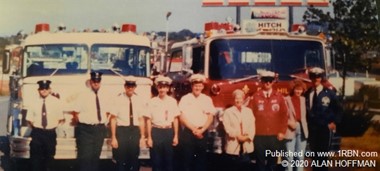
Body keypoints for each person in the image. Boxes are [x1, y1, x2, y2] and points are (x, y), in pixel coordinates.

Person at [304, 67, 342, 171]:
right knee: (314, 155)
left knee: (323, 155)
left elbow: (338, 109)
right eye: (313, 77)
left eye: (318, 77)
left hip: (324, 128)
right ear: (310, 78)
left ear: (321, 78)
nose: (315, 79)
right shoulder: (308, 93)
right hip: (312, 129)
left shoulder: (329, 93)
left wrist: (334, 122)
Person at [249, 70, 288, 171]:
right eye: (265, 80)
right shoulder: (255, 97)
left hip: (274, 135)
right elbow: (250, 116)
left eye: (270, 81)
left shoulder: (279, 97)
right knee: (260, 162)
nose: (267, 83)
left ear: (273, 82)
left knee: (273, 162)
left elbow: (284, 116)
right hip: (259, 135)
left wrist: (282, 132)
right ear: (261, 81)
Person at [178, 74, 216, 171]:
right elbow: (181, 117)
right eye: (195, 85)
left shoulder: (207, 99)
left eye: (199, 86)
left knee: (201, 160)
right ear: (191, 86)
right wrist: (193, 129)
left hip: (202, 133)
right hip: (188, 133)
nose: (197, 88)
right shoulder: (185, 99)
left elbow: (210, 117)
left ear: (203, 86)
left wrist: (202, 130)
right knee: (187, 160)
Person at [25, 80, 65, 171]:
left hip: (50, 134)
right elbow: (29, 119)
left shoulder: (56, 102)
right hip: (37, 133)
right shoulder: (33, 102)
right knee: (35, 159)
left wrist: (52, 126)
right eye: (42, 88)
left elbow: (61, 118)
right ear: (38, 90)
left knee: (49, 159)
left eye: (46, 88)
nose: (44, 90)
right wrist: (37, 128)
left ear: (50, 89)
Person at [74, 72, 109, 171]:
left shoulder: (105, 95)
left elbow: (108, 112)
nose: (96, 83)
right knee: (85, 157)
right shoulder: (82, 95)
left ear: (100, 82)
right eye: (94, 81)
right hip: (86, 130)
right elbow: (76, 113)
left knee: (95, 157)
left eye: (98, 81)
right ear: (90, 82)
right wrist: (84, 124)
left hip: (99, 130)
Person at [109, 76, 146, 171]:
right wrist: (113, 137)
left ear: (135, 87)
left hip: (134, 131)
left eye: (132, 86)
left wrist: (142, 137)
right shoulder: (118, 99)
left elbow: (141, 119)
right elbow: (113, 119)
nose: (130, 88)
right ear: (125, 86)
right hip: (122, 132)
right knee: (120, 159)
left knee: (134, 159)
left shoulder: (139, 99)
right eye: (128, 86)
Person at [144, 75, 180, 171]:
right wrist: (149, 137)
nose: (162, 90)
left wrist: (176, 135)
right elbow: (148, 120)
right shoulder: (151, 102)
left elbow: (175, 119)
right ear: (157, 88)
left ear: (168, 88)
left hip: (168, 131)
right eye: (160, 87)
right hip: (156, 131)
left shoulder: (172, 102)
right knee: (156, 161)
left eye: (164, 87)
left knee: (169, 161)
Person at [223, 89, 255, 171]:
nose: (238, 100)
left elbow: (252, 127)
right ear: (233, 99)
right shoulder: (228, 112)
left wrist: (247, 137)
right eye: (236, 98)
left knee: (245, 167)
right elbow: (227, 128)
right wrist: (237, 135)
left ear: (243, 99)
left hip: (246, 145)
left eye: (240, 98)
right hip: (233, 144)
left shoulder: (249, 111)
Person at [284, 80, 309, 171]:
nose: (298, 91)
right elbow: (282, 116)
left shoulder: (303, 100)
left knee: (300, 157)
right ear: (293, 89)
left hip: (302, 129)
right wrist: (289, 123)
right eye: (296, 89)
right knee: (289, 157)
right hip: (290, 129)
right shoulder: (286, 99)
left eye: (300, 90)